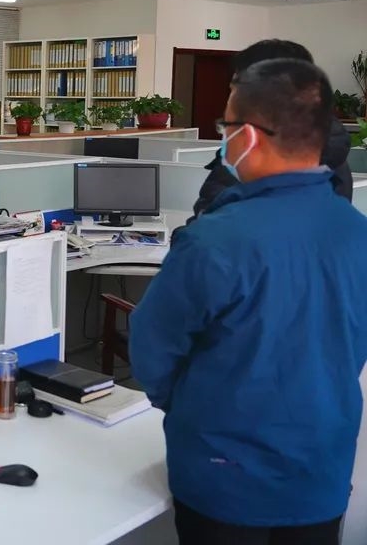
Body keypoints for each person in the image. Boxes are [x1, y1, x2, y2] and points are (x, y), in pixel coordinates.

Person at [130, 58, 367, 545]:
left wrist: (194, 408)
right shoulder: (356, 230)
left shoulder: (214, 240)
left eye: (227, 126)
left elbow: (152, 350)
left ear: (250, 137)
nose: (224, 138)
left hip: (224, 476)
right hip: (321, 469)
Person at [187, 39, 351, 224]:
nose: (232, 100)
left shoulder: (317, 162)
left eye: (237, 90)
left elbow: (219, 229)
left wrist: (192, 236)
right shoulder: (325, 149)